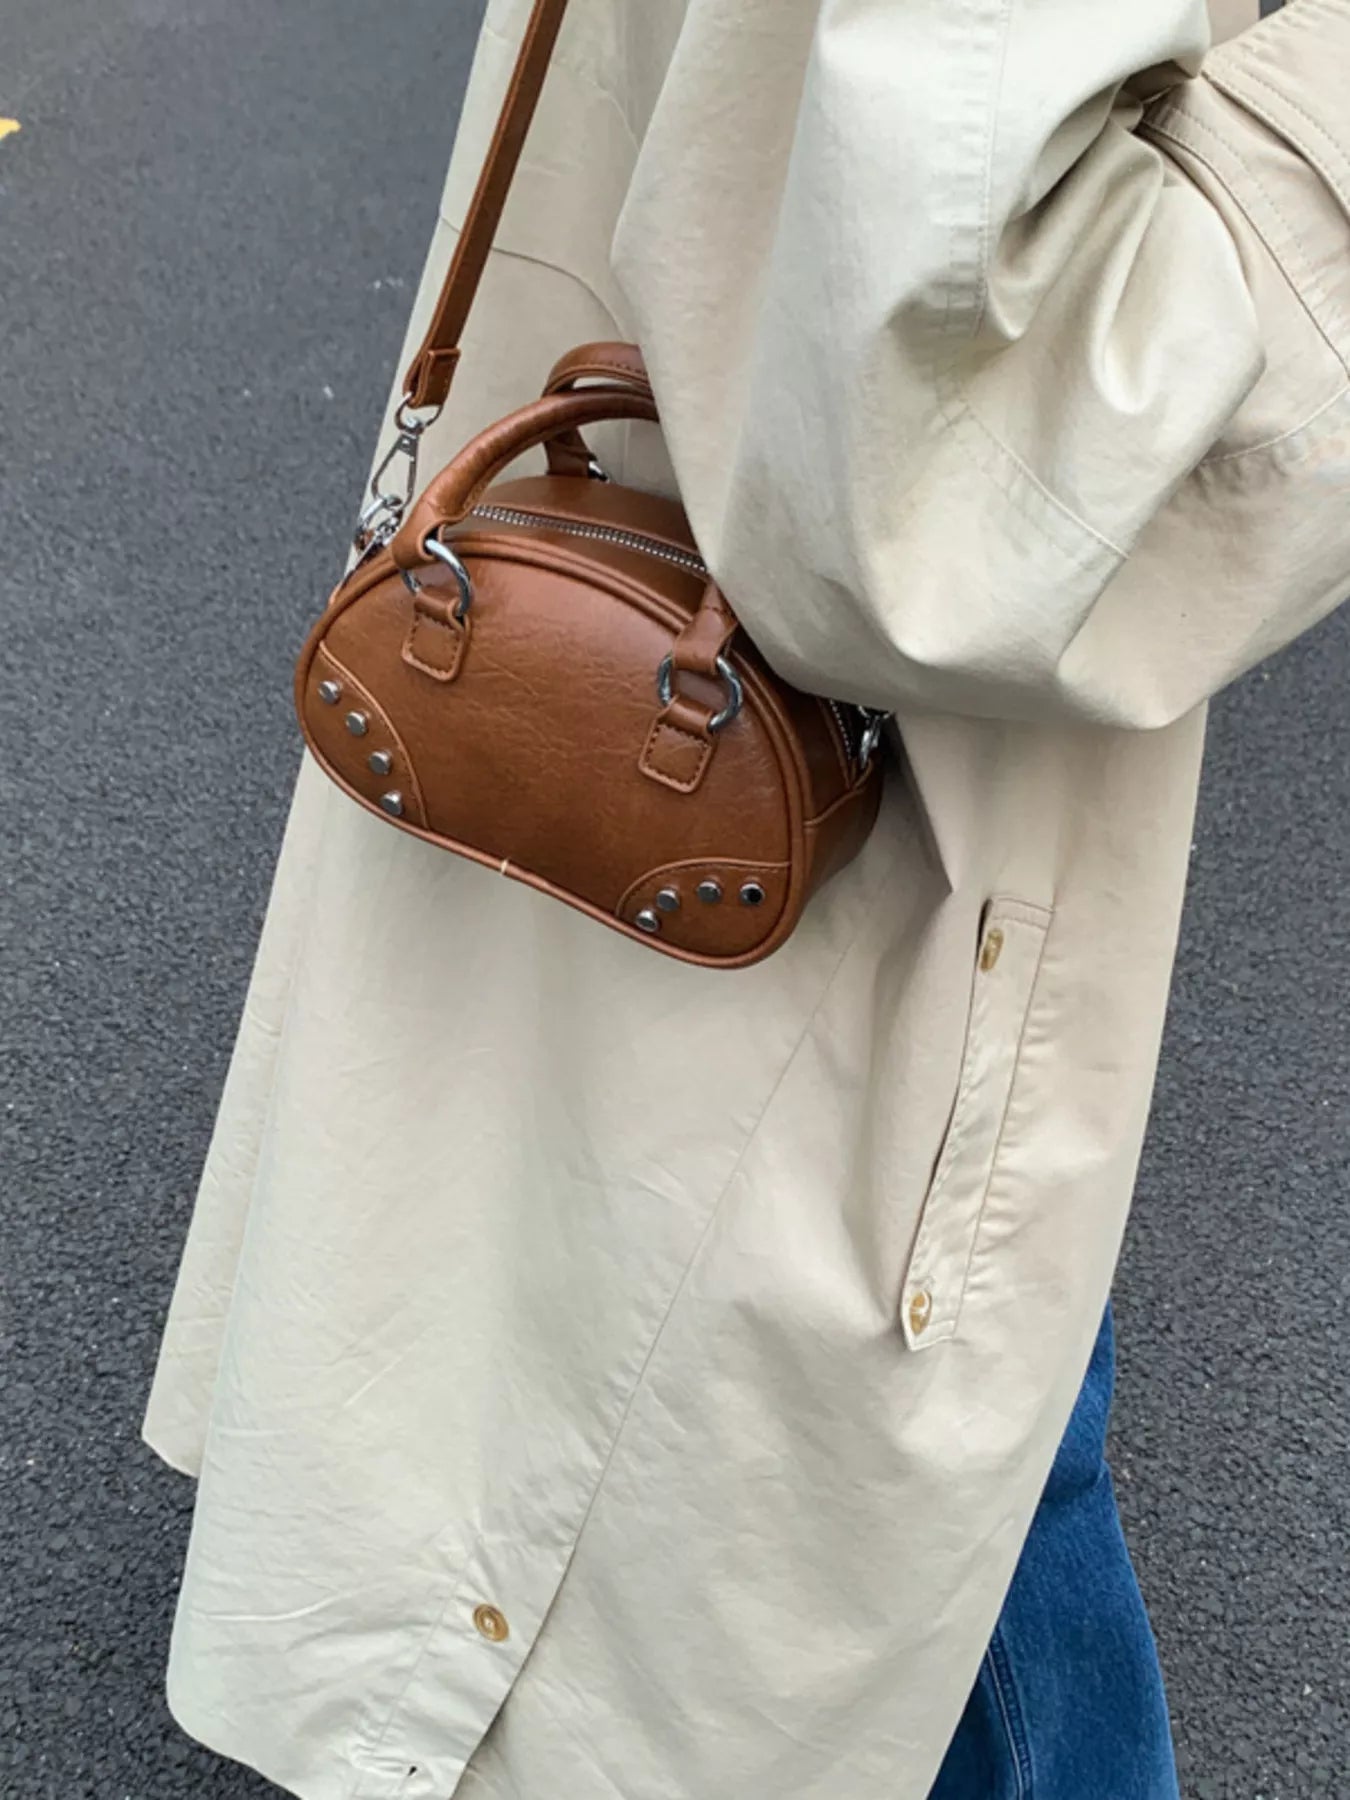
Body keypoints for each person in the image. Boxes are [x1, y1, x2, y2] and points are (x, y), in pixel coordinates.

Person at [142, 1, 1350, 1796]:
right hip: (861, 756)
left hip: (678, 531)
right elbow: (950, 477)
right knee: (849, 1454)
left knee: (867, 1427)